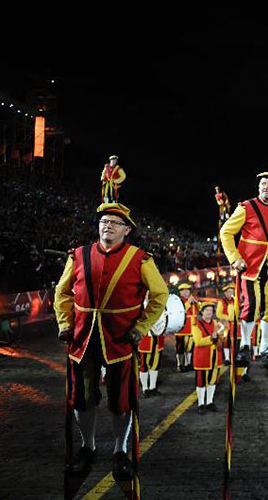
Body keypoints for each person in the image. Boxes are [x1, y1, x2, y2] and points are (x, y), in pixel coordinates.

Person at [55, 203, 167, 481]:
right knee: (83, 399)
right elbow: (62, 292)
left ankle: (120, 451)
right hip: (83, 340)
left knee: (121, 401)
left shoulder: (141, 259)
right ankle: (87, 446)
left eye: (115, 223)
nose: (108, 226)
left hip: (120, 339)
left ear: (126, 230)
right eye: (104, 221)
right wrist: (65, 323)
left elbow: (160, 295)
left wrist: (141, 326)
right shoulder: (78, 255)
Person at [219, 172, 268, 367]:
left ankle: (265, 346)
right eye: (263, 183)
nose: (266, 187)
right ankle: (245, 345)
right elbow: (226, 232)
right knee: (252, 304)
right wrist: (235, 258)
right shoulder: (246, 207)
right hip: (250, 265)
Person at [192, 300, 225, 413]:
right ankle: (201, 404)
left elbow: (222, 337)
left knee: (213, 380)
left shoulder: (216, 324)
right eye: (206, 310)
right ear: (202, 312)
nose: (209, 312)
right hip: (202, 357)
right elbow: (198, 341)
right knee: (201, 381)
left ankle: (209, 402)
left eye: (211, 310)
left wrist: (222, 337)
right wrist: (212, 338)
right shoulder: (196, 324)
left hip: (216, 357)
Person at [174, 282, 198, 372]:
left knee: (189, 347)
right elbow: (180, 310)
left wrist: (197, 303)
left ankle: (188, 364)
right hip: (182, 328)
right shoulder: (178, 301)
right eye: (184, 291)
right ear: (180, 292)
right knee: (180, 347)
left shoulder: (192, 300)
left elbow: (199, 310)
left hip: (192, 328)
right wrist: (188, 302)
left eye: (188, 290)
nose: (186, 292)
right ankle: (179, 364)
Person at [216, 282, 236, 365]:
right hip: (224, 323)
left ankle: (233, 357)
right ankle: (227, 358)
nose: (231, 294)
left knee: (233, 340)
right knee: (225, 341)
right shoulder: (222, 302)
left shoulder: (235, 301)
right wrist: (228, 318)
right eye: (229, 292)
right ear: (225, 293)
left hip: (234, 323)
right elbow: (218, 314)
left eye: (232, 292)